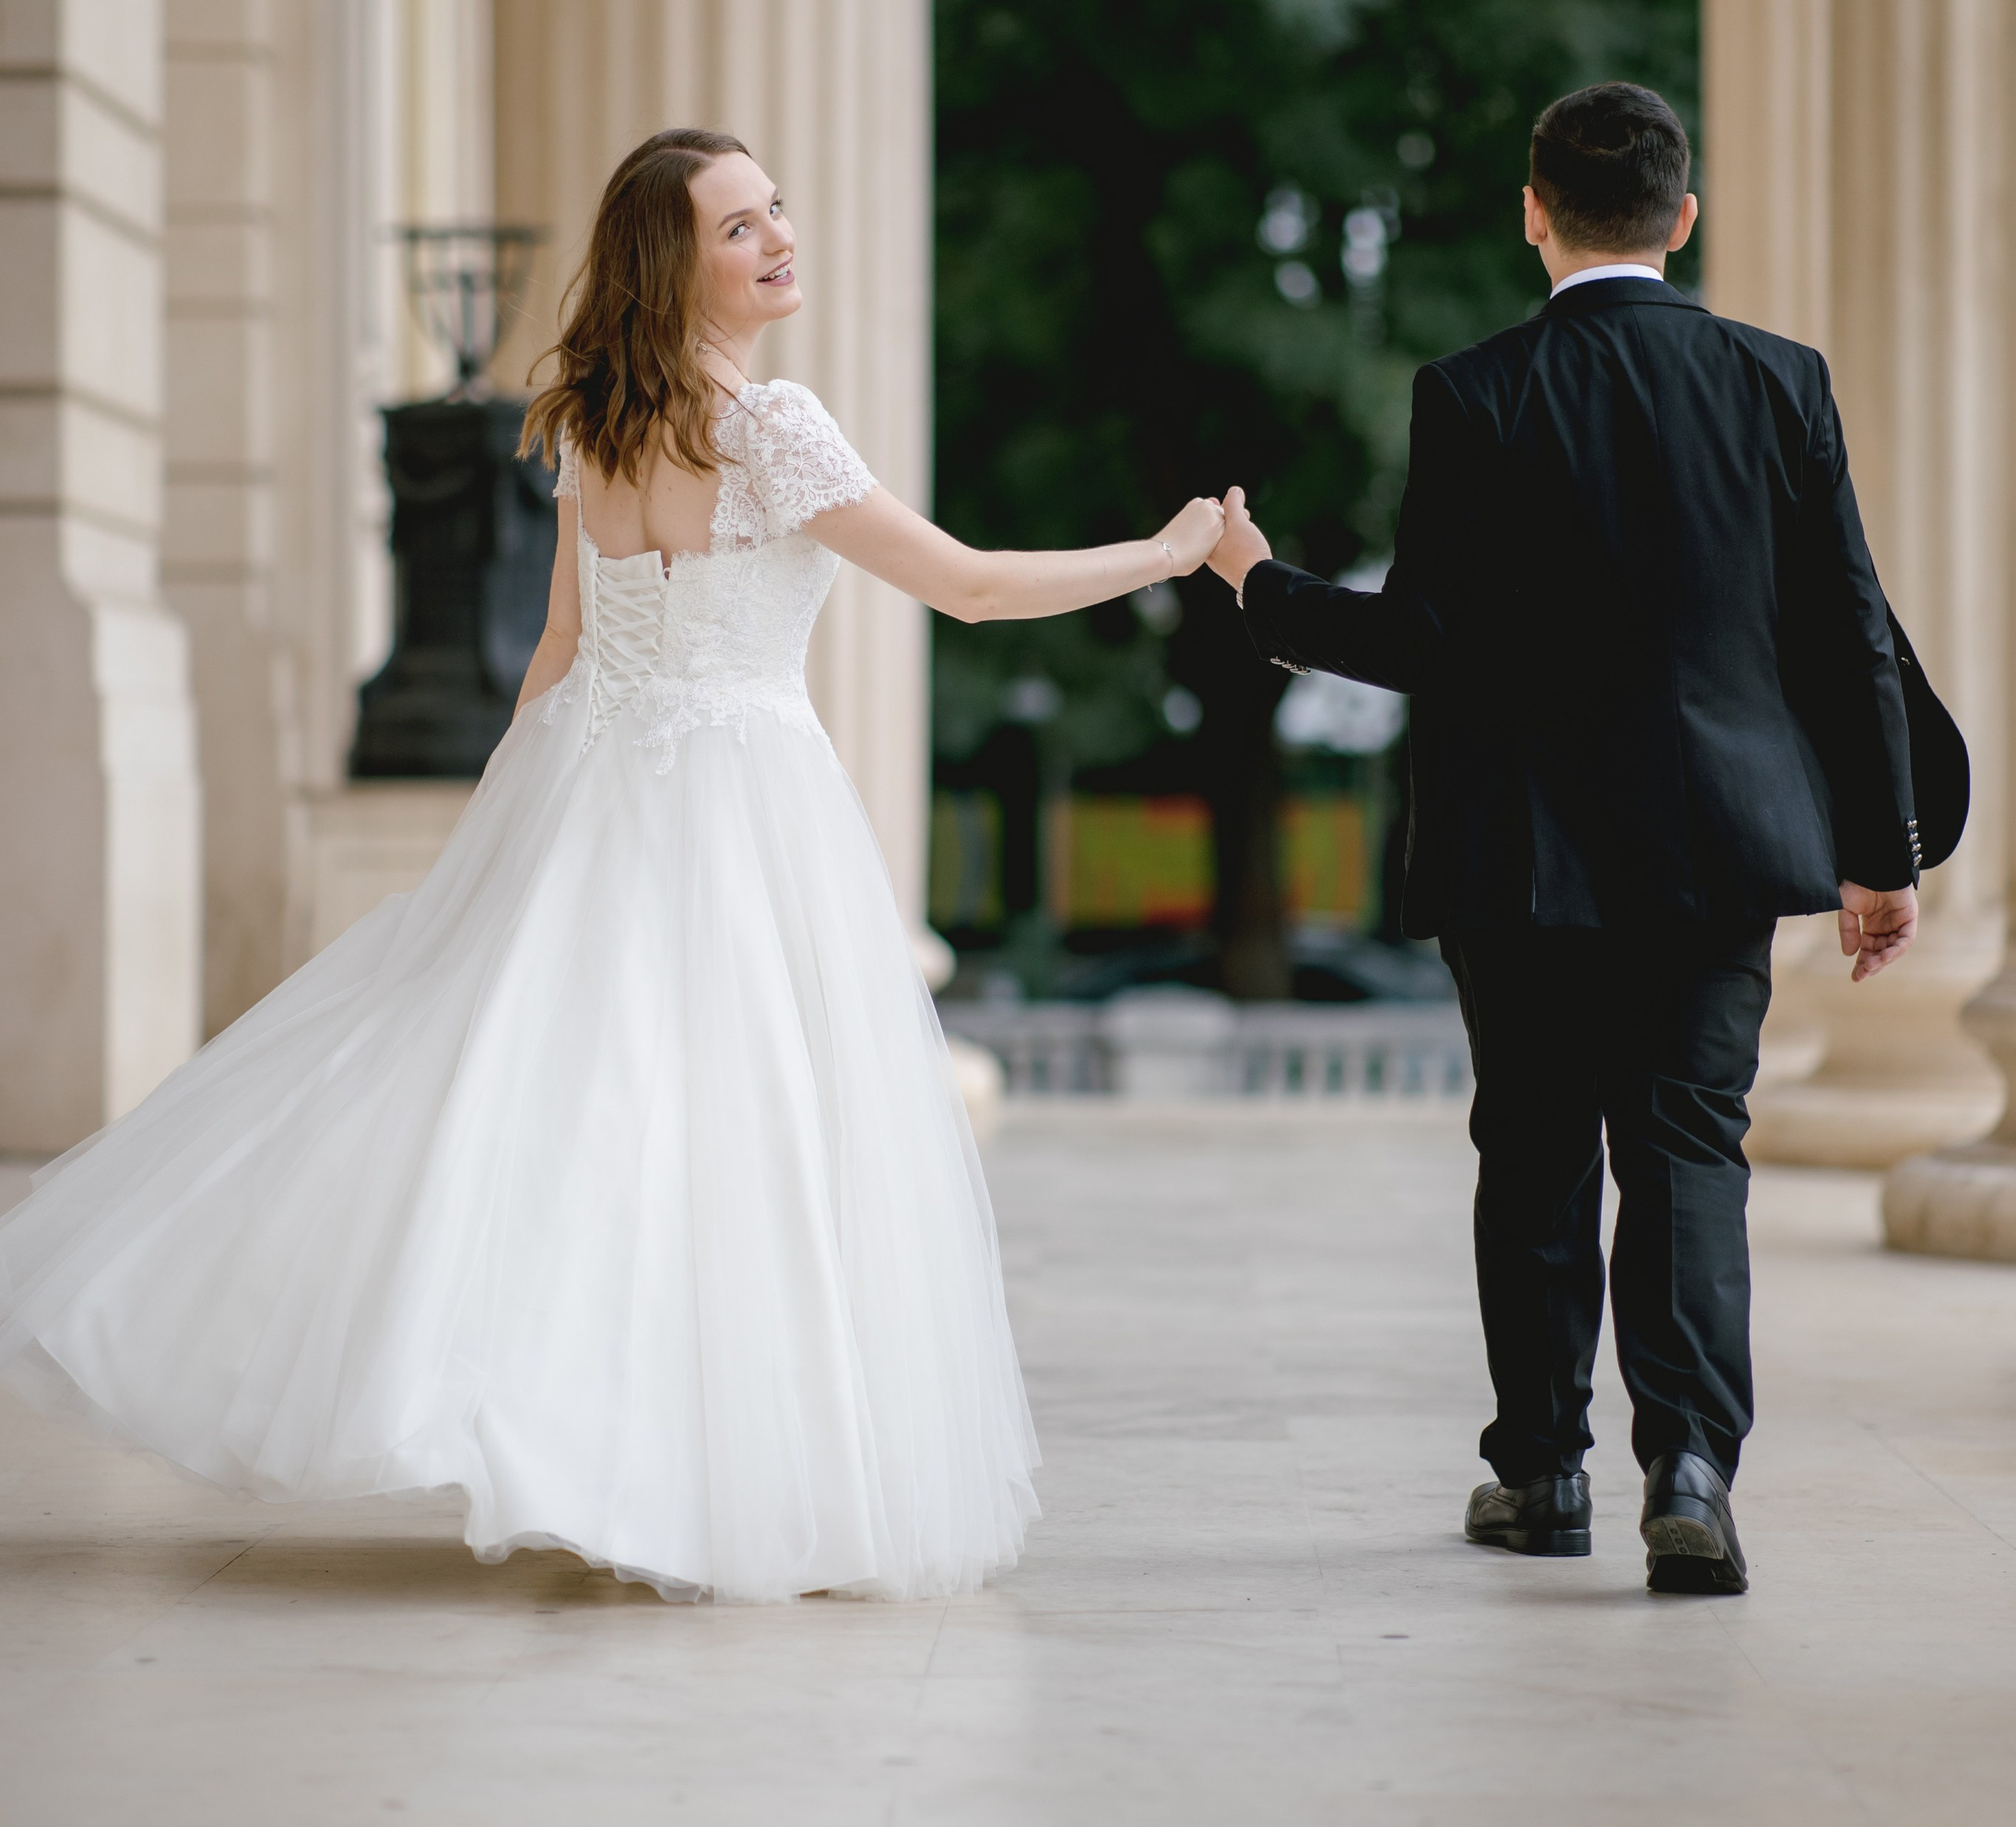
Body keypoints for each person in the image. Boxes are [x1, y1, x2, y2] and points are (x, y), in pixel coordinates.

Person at [0, 128, 1224, 1605]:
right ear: (675, 263)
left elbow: (563, 651)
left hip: (591, 780)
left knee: (581, 1121)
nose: (778, 237)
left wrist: (503, 847)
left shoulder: (595, 422)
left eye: (777, 210)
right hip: (740, 800)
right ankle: (675, 1470)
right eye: (737, 226)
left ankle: (597, 1450)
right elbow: (962, 587)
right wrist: (1161, 557)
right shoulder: (773, 427)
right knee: (726, 1133)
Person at [1206, 82, 1921, 1596]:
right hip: (1724, 846)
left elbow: (1435, 641)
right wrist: (1882, 849)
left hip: (1522, 856)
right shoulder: (1781, 383)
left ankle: (1543, 1475)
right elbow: (1849, 631)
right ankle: (1694, 1469)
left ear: (1535, 213)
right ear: (1684, 216)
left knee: (1532, 1152)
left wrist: (1266, 590)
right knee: (1688, 1150)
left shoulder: (1473, 392)